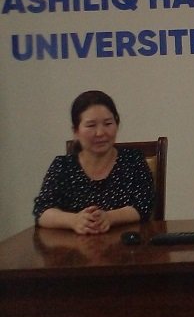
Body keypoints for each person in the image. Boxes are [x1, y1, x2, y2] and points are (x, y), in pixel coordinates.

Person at [33, 90, 154, 235]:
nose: (100, 133)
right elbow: (42, 211)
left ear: (117, 125)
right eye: (91, 125)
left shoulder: (133, 160)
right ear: (76, 131)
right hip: (73, 247)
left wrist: (109, 217)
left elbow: (143, 206)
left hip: (125, 245)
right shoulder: (62, 166)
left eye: (108, 123)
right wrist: (74, 220)